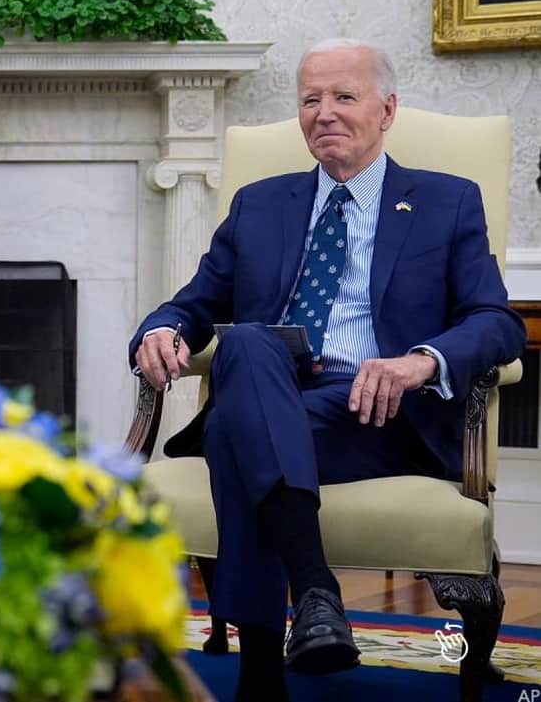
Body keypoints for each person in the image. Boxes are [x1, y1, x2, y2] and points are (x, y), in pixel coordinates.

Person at [129, 39, 525, 701]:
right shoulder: (260, 204)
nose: (325, 113)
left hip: (377, 416)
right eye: (311, 99)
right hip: (272, 389)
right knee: (248, 345)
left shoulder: (446, 202)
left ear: (386, 110)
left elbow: (497, 321)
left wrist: (418, 363)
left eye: (344, 96)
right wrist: (160, 332)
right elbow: (193, 305)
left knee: (232, 430)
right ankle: (315, 594)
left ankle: (261, 673)